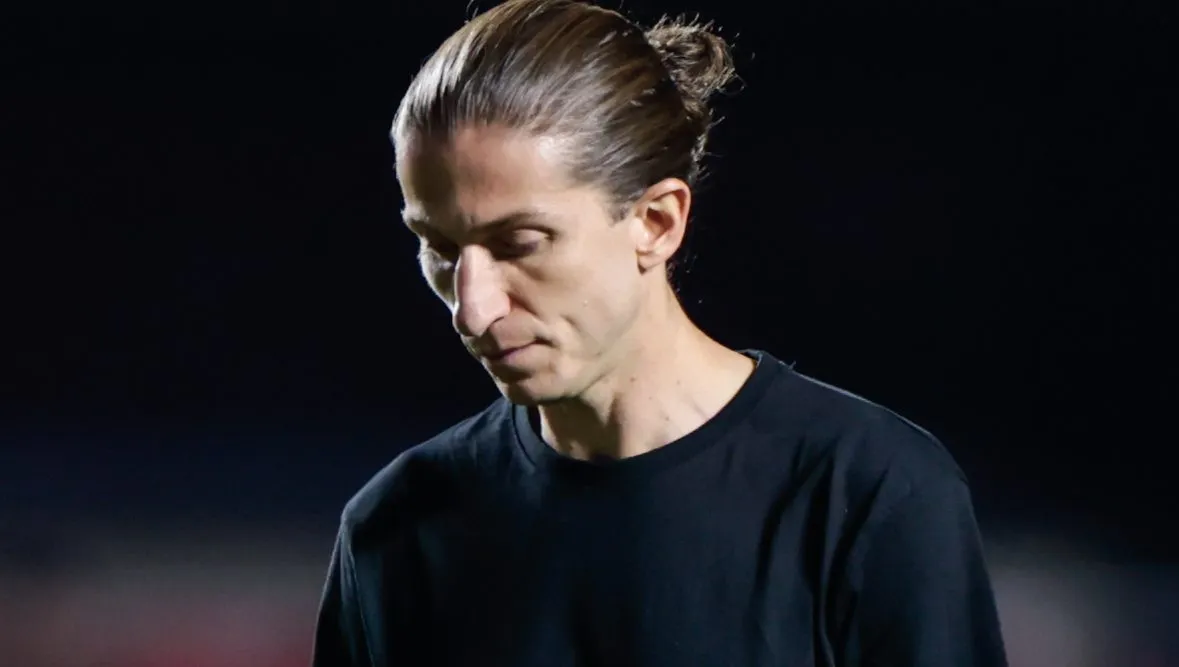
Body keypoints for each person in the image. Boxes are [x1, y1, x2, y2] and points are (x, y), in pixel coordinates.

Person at [311, 0, 1008, 665]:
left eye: (520, 242)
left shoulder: (871, 494)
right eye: (439, 248)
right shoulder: (393, 531)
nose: (473, 306)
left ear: (656, 222)